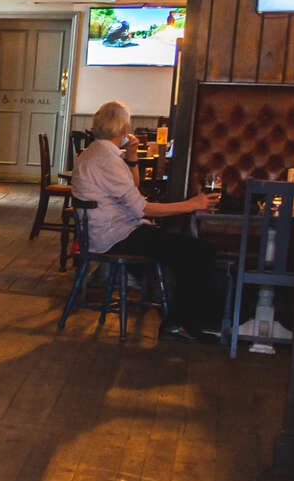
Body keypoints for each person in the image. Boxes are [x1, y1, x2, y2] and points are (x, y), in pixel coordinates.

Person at [68, 99, 222, 339]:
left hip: (108, 232)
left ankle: (181, 319)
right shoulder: (107, 160)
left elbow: (133, 188)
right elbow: (143, 209)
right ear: (124, 130)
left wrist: (131, 158)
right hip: (116, 236)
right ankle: (180, 323)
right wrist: (192, 204)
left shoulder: (94, 153)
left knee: (185, 247)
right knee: (198, 251)